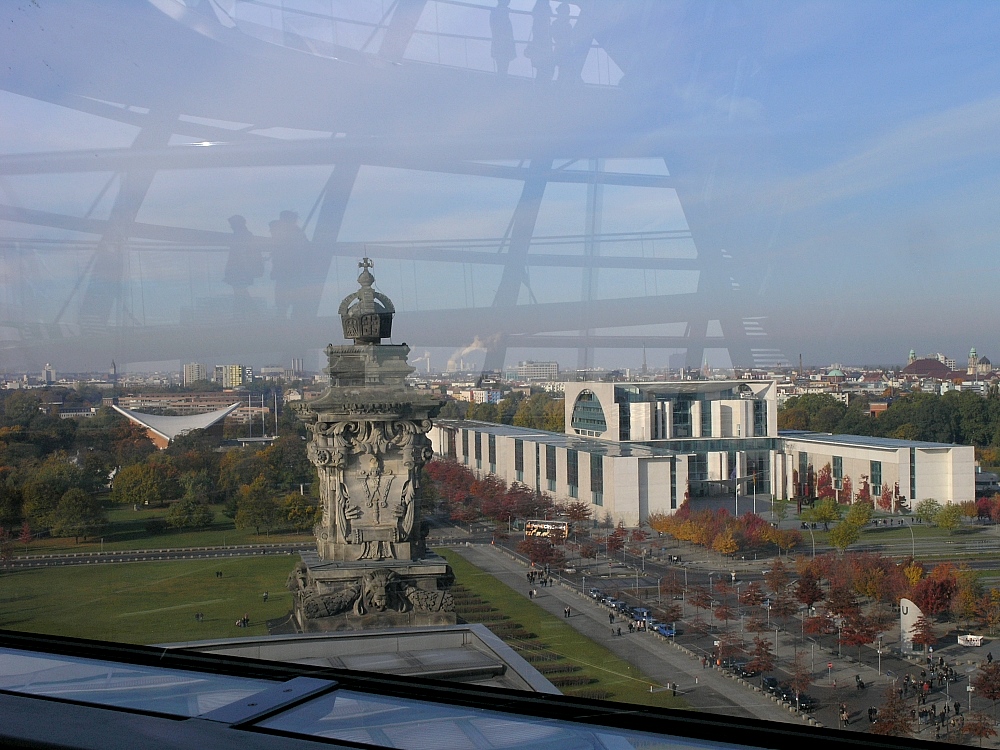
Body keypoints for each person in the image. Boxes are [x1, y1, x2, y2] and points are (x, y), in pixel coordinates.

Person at [223, 214, 263, 318]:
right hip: (240, 270)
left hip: (239, 270)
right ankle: (247, 315)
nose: (231, 227)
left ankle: (247, 315)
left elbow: (241, 256)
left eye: (232, 224)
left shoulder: (241, 237)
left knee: (240, 293)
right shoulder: (246, 236)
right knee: (240, 292)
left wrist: (244, 270)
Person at [525, 0, 553, 81]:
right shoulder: (543, 20)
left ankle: (540, 87)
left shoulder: (536, 19)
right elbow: (544, 34)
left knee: (541, 70)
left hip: (538, 45)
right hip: (544, 46)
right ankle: (541, 88)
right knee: (544, 69)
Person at [489, 0, 516, 75]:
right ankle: (502, 82)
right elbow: (503, 29)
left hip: (500, 44)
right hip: (503, 44)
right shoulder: (499, 13)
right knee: (503, 67)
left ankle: (501, 81)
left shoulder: (495, 12)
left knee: (502, 67)